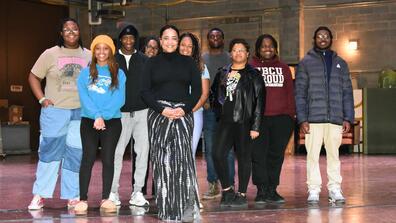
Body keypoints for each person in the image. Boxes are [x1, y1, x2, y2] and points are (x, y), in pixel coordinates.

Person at [28, 18, 91, 210]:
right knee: (49, 154)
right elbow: (33, 76)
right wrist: (42, 99)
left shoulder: (88, 55)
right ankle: (40, 195)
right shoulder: (50, 54)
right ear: (61, 33)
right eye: (66, 30)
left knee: (75, 155)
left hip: (80, 113)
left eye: (74, 29)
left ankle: (72, 195)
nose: (71, 32)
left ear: (79, 32)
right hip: (55, 112)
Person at [141, 25, 201, 222]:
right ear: (160, 40)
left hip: (183, 115)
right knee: (163, 163)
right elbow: (145, 92)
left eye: (174, 38)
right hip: (159, 116)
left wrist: (184, 110)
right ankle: (167, 210)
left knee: (183, 162)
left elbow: (197, 92)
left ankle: (186, 209)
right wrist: (162, 110)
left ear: (178, 40)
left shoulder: (189, 63)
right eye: (166, 38)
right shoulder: (150, 63)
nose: (170, 42)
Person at [295, 26, 354, 204]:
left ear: (331, 39)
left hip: (335, 119)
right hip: (313, 119)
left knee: (334, 155)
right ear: (314, 39)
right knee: (312, 156)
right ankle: (313, 189)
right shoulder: (305, 62)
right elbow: (300, 93)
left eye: (326, 36)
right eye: (319, 36)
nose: (323, 38)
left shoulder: (341, 63)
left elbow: (347, 91)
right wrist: (302, 119)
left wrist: (347, 117)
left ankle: (335, 188)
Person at [74, 35, 126, 213]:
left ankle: (106, 198)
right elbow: (84, 98)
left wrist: (102, 116)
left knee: (108, 159)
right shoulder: (84, 73)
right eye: (98, 48)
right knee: (87, 159)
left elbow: (119, 99)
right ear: (93, 51)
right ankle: (82, 199)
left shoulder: (118, 73)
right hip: (89, 121)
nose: (101, 52)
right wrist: (96, 116)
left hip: (111, 122)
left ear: (110, 51)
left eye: (105, 48)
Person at [212, 38, 265, 207]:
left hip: (245, 123)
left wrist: (255, 126)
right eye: (235, 50)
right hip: (225, 122)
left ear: (247, 53)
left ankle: (241, 193)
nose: (238, 53)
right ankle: (227, 190)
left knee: (243, 158)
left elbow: (260, 102)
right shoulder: (222, 72)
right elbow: (215, 95)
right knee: (217, 154)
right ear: (230, 53)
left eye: (242, 50)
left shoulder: (254, 74)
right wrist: (217, 113)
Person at [250, 34, 295, 203]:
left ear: (275, 48)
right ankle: (261, 190)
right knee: (258, 155)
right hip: (258, 120)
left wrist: (291, 116)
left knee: (276, 155)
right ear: (258, 49)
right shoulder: (251, 67)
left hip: (281, 120)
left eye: (270, 46)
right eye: (263, 46)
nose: (267, 49)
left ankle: (272, 189)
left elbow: (290, 93)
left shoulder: (283, 68)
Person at [108, 24, 150, 207]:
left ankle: (138, 191)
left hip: (142, 112)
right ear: (120, 40)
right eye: (125, 38)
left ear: (136, 39)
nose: (128, 41)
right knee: (116, 153)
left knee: (143, 152)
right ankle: (113, 191)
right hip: (120, 114)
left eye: (132, 38)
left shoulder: (144, 60)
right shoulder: (112, 59)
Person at [202, 28, 235, 200]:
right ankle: (213, 183)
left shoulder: (230, 57)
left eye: (218, 36)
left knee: (228, 150)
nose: (215, 38)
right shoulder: (202, 58)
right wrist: (204, 100)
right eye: (212, 36)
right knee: (210, 149)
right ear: (208, 39)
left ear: (223, 39)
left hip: (227, 111)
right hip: (208, 110)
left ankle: (229, 185)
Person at [179, 32, 210, 159]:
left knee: (188, 153)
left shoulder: (201, 67)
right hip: (172, 113)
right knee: (172, 154)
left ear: (194, 49)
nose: (185, 49)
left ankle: (187, 179)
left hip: (194, 114)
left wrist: (188, 111)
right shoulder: (170, 65)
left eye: (189, 46)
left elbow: (204, 94)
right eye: (183, 45)